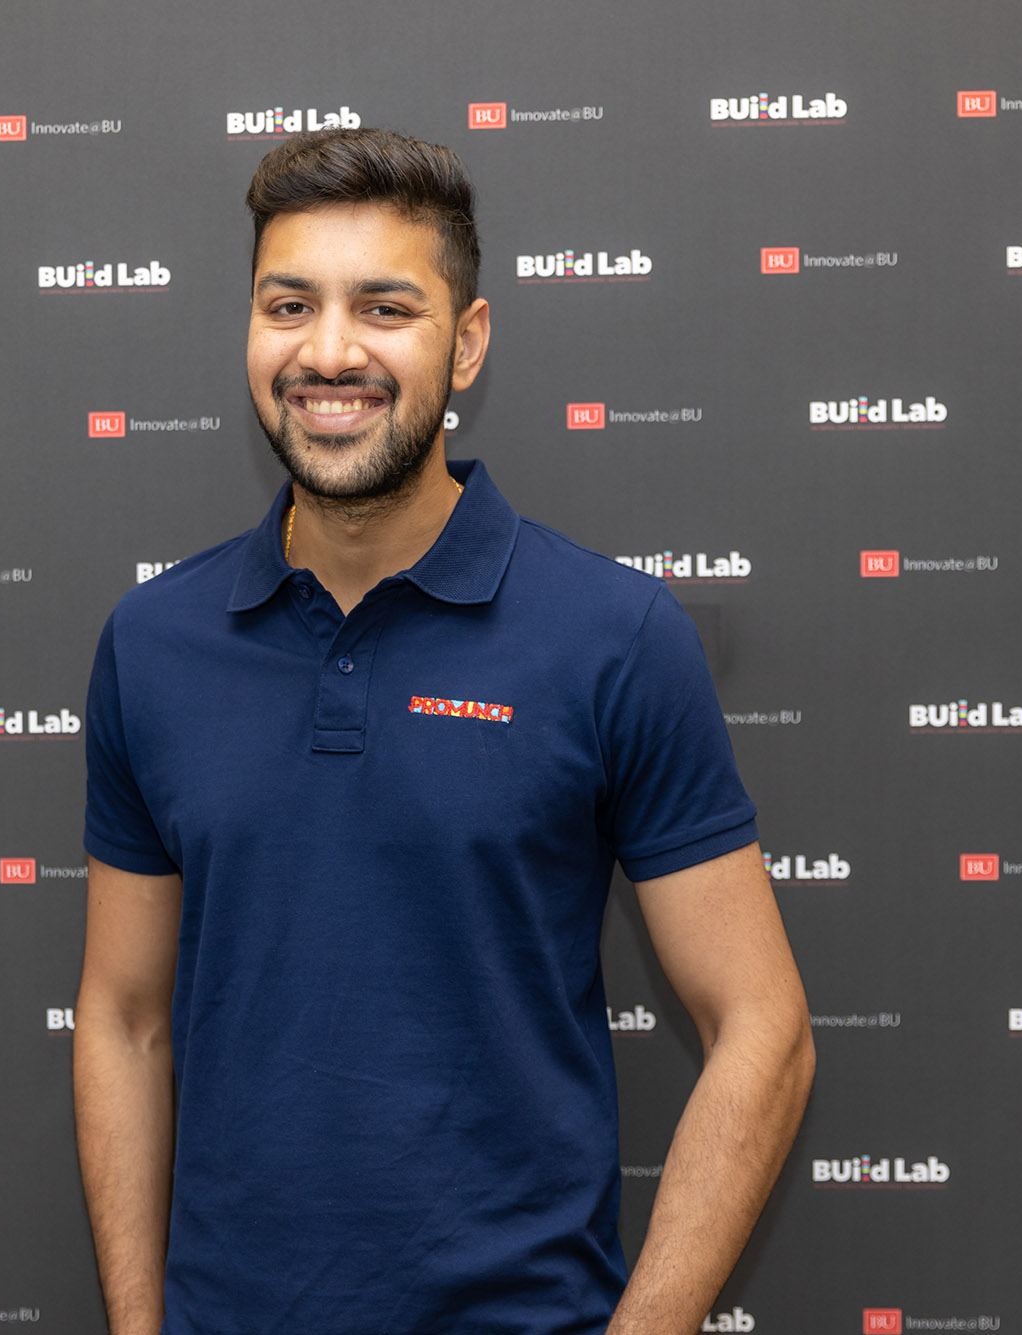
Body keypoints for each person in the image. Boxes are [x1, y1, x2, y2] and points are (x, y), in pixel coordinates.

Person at [74, 127, 813, 1335]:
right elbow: (122, 1016)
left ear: (465, 342)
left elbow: (763, 1029)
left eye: (384, 308)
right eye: (287, 304)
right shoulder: (152, 643)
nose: (327, 352)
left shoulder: (613, 635)